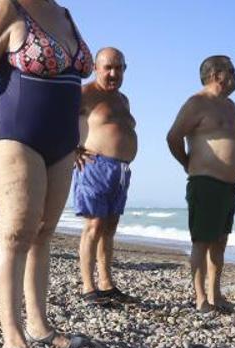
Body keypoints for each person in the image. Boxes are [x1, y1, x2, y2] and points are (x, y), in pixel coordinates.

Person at [0, 0, 96, 348]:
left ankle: (39, 325)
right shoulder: (8, 9)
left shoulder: (66, 14)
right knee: (15, 234)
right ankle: (11, 338)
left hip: (62, 143)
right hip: (14, 135)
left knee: (44, 233)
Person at [166, 55, 235, 313]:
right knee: (201, 241)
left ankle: (215, 293)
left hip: (228, 186)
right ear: (216, 74)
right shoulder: (197, 103)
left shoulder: (231, 106)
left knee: (220, 241)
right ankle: (200, 296)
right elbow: (173, 136)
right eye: (232, 71)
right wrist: (187, 163)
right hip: (205, 182)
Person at [75, 47, 138, 306]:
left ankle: (106, 283)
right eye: (108, 67)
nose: (113, 73)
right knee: (93, 226)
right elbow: (56, 117)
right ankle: (88, 287)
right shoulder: (85, 93)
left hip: (121, 170)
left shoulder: (123, 100)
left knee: (110, 228)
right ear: (96, 68)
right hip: (95, 166)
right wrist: (71, 148)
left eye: (119, 68)